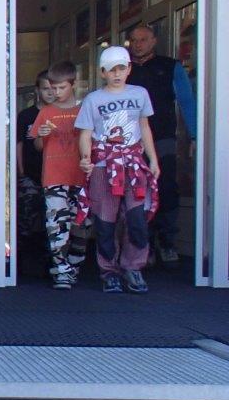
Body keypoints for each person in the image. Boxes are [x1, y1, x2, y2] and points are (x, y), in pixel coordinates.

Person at [76, 45, 160, 294]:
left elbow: (144, 127)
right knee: (105, 221)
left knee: (136, 218)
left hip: (133, 165)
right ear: (102, 72)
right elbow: (85, 133)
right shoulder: (93, 99)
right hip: (104, 165)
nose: (116, 74)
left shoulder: (140, 94)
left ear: (129, 69)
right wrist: (85, 158)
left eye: (121, 68)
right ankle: (109, 271)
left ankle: (133, 267)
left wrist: (153, 160)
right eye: (111, 70)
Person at [125, 22, 196, 264]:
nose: (138, 44)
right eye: (134, 40)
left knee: (165, 188)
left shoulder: (170, 67)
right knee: (135, 191)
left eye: (143, 39)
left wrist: (195, 136)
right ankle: (144, 245)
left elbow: (187, 103)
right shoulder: (123, 69)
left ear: (154, 40)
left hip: (163, 138)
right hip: (129, 142)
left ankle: (167, 241)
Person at [32, 62, 89, 289]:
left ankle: (74, 266)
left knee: (82, 225)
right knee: (56, 225)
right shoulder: (46, 112)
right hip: (54, 177)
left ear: (73, 85)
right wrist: (41, 136)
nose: (56, 93)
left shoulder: (84, 109)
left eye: (61, 87)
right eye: (52, 88)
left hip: (80, 177)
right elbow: (36, 144)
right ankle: (61, 271)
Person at [16, 71, 53, 276]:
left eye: (53, 88)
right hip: (30, 174)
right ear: (38, 91)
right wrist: (21, 172)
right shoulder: (27, 116)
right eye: (46, 89)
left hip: (54, 176)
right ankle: (20, 264)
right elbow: (19, 145)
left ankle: (50, 263)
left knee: (52, 221)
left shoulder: (61, 114)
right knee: (27, 219)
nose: (50, 93)